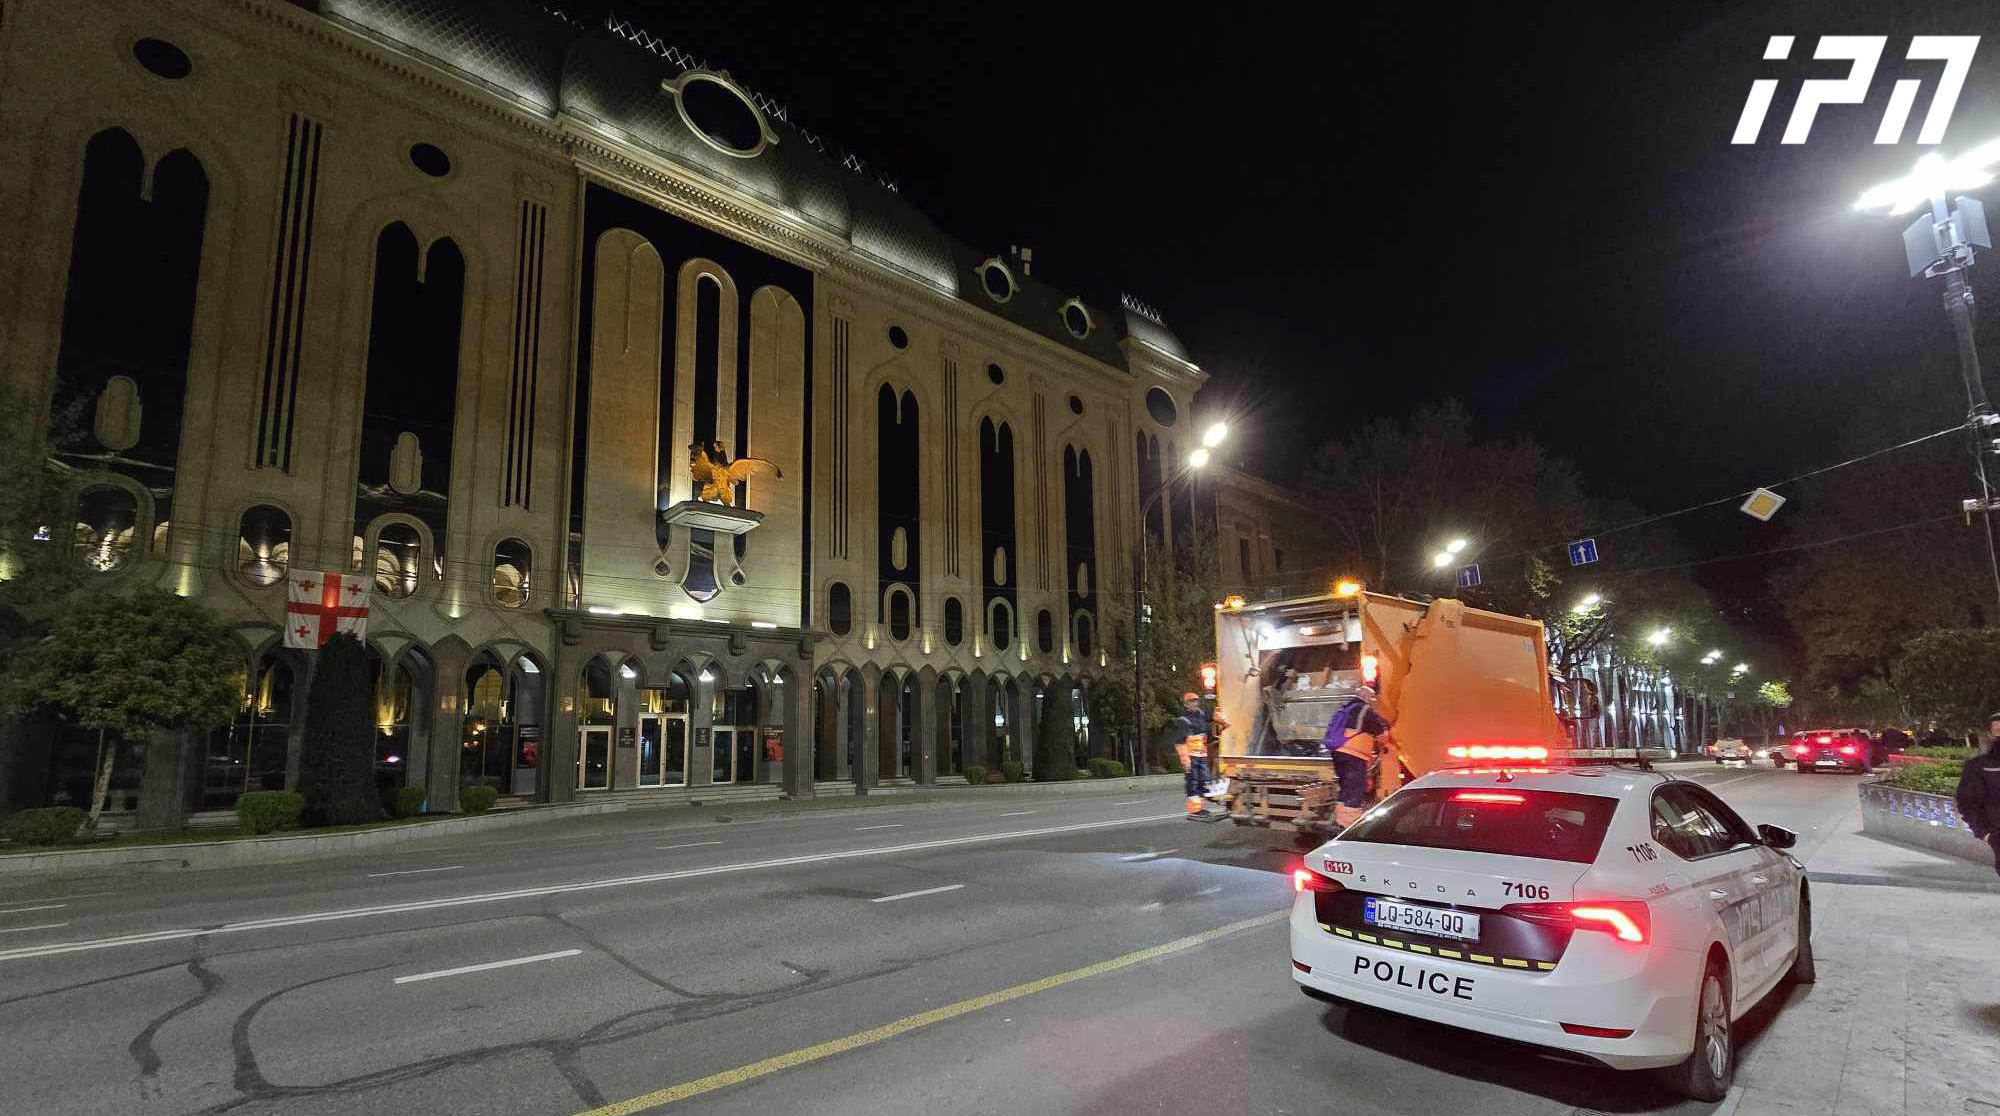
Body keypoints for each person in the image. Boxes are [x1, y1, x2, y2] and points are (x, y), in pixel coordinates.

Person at [1321, 686, 1392, 827]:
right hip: (1354, 755)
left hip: (1338, 753)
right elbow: (1381, 737)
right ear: (1366, 697)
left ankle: (1341, 821)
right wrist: (1387, 736)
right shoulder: (1366, 710)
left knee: (1345, 789)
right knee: (1355, 789)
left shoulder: (1345, 708)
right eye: (1371, 698)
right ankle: (1351, 825)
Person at [1955, 713, 2000, 879]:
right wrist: (1985, 833)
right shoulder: (1978, 766)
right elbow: (1967, 802)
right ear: (1990, 735)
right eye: (1999, 731)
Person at [1176, 692, 1228, 813]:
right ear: (1186, 704)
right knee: (1193, 783)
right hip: (1191, 757)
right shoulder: (1183, 720)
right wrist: (1185, 760)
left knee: (1205, 780)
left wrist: (1224, 721)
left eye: (1195, 701)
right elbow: (1180, 742)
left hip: (1202, 755)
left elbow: (1214, 715)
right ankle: (1195, 810)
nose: (1194, 704)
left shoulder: (1202, 714)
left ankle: (1206, 802)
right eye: (1191, 702)